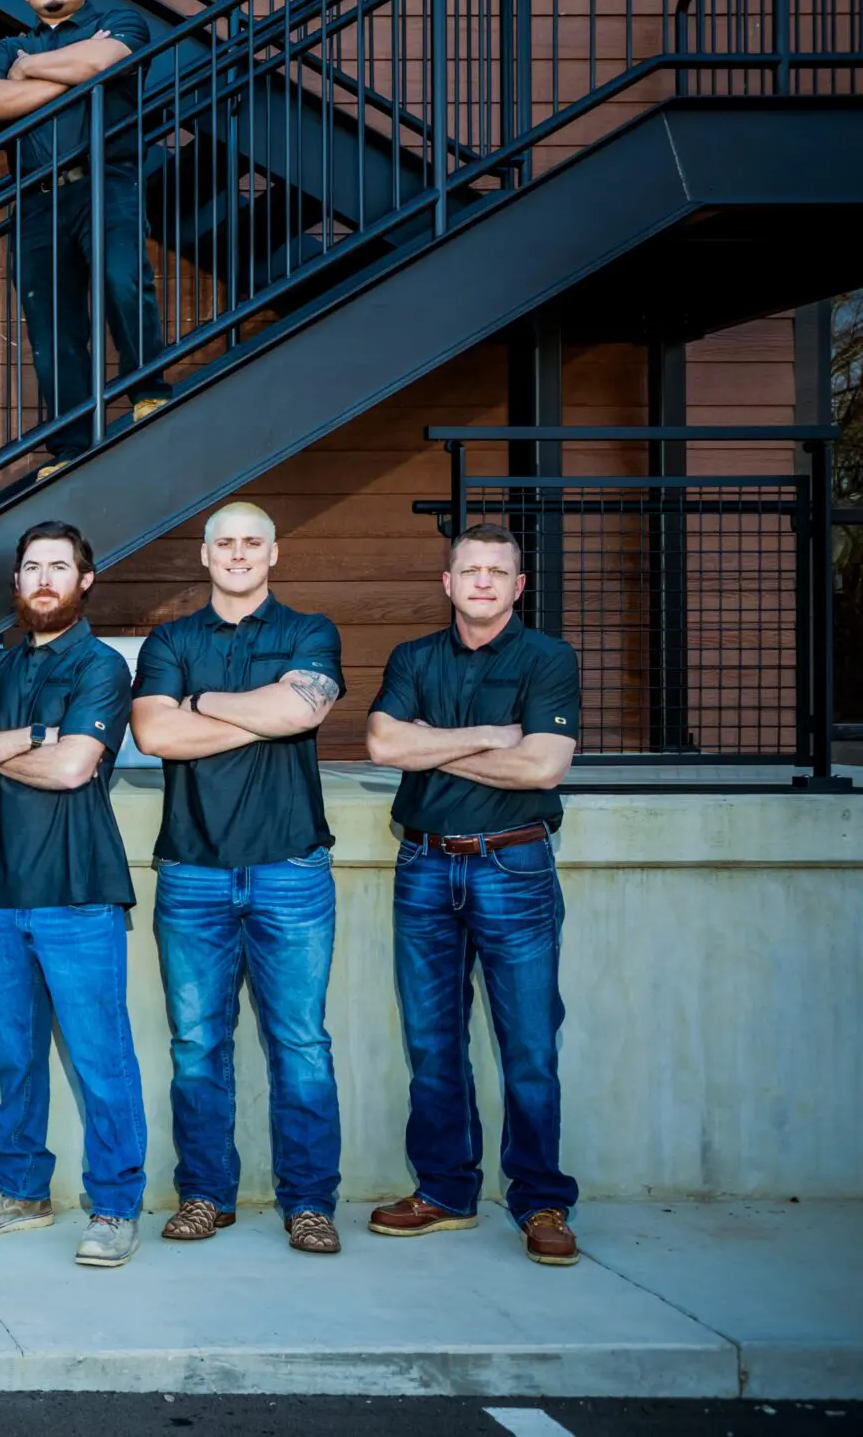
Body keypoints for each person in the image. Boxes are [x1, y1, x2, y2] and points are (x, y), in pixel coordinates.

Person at [128, 501, 347, 1256]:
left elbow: (303, 711)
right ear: (205, 554)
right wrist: (264, 711)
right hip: (192, 871)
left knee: (301, 1044)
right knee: (196, 1044)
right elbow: (155, 732)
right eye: (226, 542)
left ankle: (310, 1202)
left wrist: (204, 704)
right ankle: (204, 1195)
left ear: (274, 552)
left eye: (253, 541)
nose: (239, 552)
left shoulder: (309, 630)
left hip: (290, 867)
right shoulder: (171, 638)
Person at [364, 524, 583, 1267]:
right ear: (447, 582)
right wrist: (493, 736)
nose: (482, 581)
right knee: (432, 1042)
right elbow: (386, 745)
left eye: (497, 571)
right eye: (469, 569)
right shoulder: (412, 657)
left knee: (527, 1044)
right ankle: (446, 1189)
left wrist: (438, 744)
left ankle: (542, 1199)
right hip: (424, 866)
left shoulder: (548, 658)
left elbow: (544, 767)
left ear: (518, 586)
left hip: (513, 868)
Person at [0, 521, 148, 1269]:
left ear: (85, 580)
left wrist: (1, 750)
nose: (44, 578)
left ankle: (116, 1203)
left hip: (79, 892)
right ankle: (21, 1188)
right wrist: (33, 736)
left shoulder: (102, 666)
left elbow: (71, 771)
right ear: (17, 583)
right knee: (17, 1058)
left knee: (101, 1058)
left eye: (60, 566)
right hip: (0, 893)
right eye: (32, 567)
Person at [0, 0, 170, 474]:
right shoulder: (6, 45)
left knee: (123, 278)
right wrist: (76, 71)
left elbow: (102, 63)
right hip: (37, 199)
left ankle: (148, 388)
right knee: (51, 324)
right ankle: (72, 444)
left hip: (107, 179)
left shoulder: (122, 23)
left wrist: (33, 70)